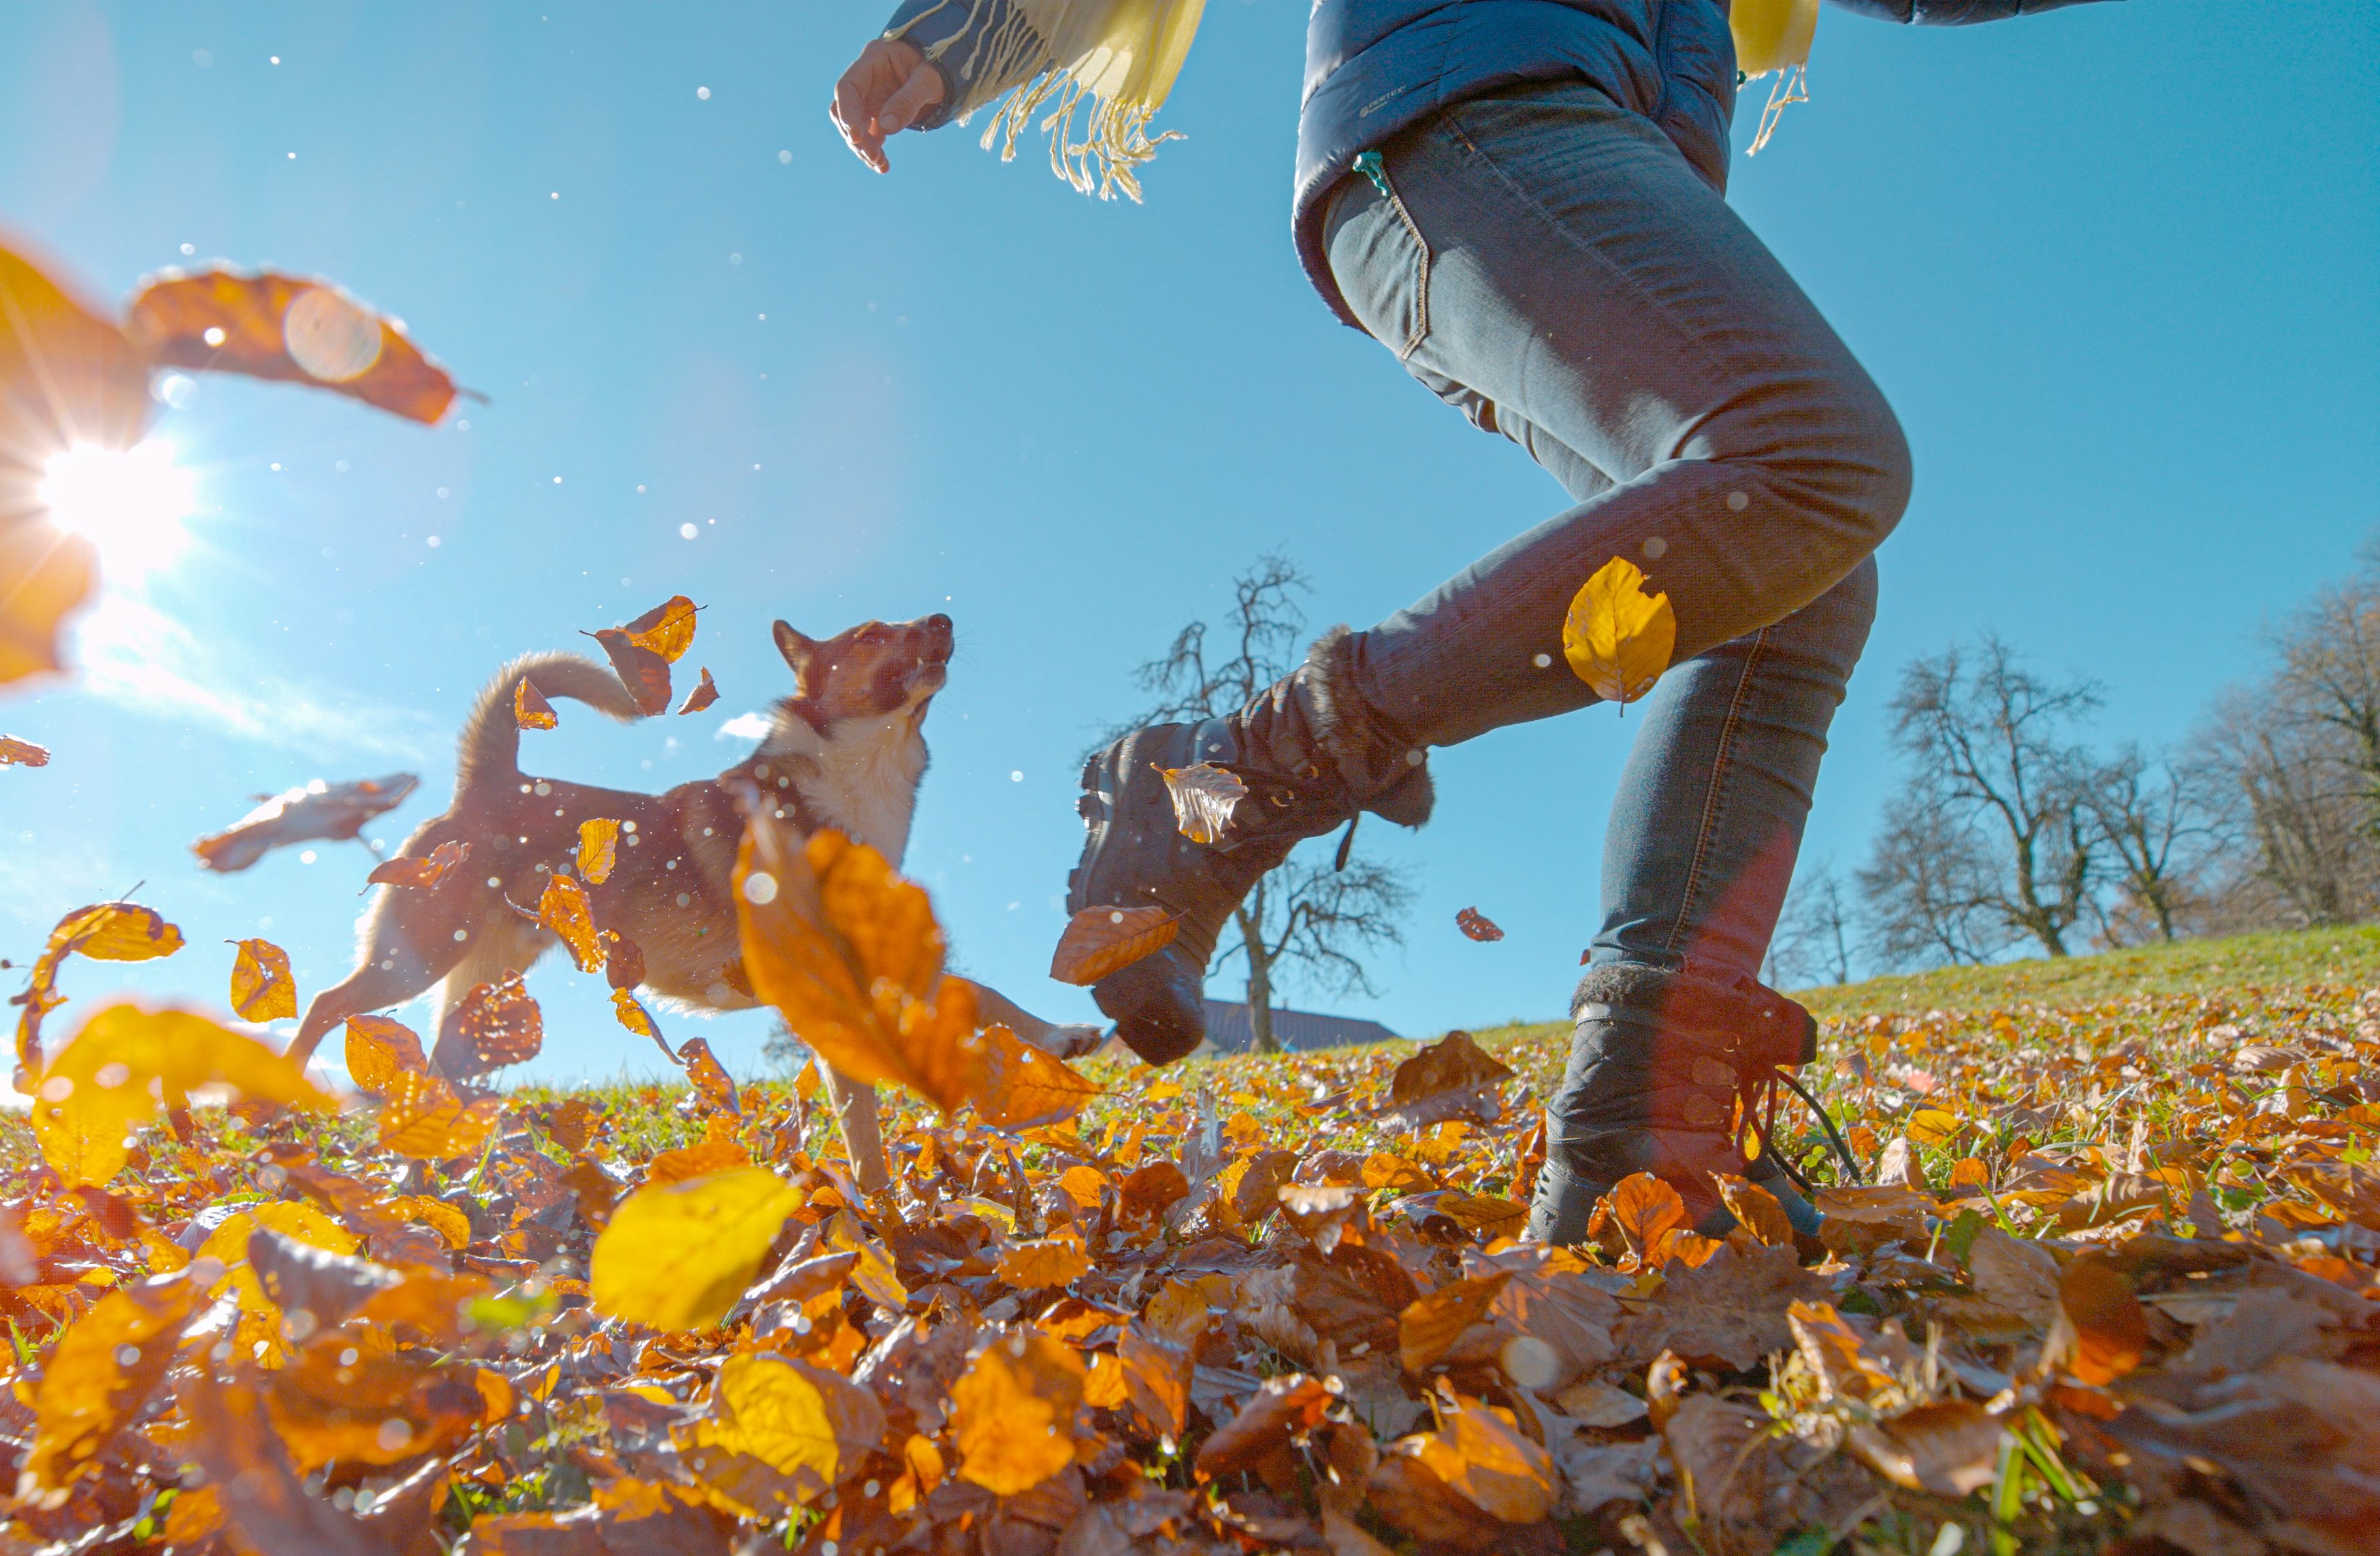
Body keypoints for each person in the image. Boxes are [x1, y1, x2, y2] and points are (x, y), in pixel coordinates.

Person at [829, 0, 2113, 1247]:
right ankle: (1236, 776)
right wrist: (961, 34)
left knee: (1792, 580)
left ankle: (1642, 1122)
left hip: (1549, 160)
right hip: (1464, 122)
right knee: (1812, 458)